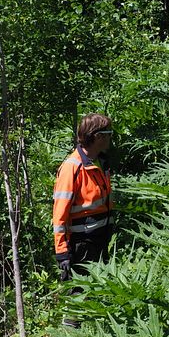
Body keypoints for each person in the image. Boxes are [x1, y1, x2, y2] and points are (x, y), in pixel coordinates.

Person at [52, 113, 114, 324]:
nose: (111, 138)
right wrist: (62, 253)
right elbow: (59, 216)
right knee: (78, 296)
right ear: (97, 137)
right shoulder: (72, 168)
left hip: (99, 240)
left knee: (95, 293)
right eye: (108, 134)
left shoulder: (98, 163)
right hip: (81, 245)